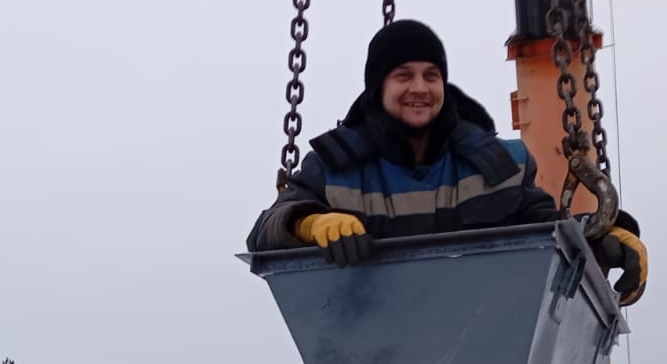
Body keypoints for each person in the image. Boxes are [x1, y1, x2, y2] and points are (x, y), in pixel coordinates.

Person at [247, 19, 646, 305]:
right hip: (371, 357)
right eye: (403, 75)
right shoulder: (334, 168)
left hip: (476, 349)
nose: (419, 88)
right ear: (378, 85)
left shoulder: (496, 166)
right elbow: (264, 233)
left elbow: (548, 241)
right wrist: (310, 222)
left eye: (431, 75)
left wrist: (602, 240)